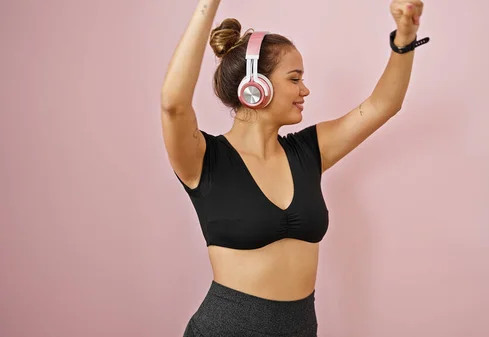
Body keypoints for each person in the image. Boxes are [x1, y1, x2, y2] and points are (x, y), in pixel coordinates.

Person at [160, 0, 428, 335]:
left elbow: (383, 105)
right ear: (255, 87)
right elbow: (173, 103)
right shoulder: (204, 159)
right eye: (294, 78)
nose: (305, 90)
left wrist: (405, 36)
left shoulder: (307, 151)